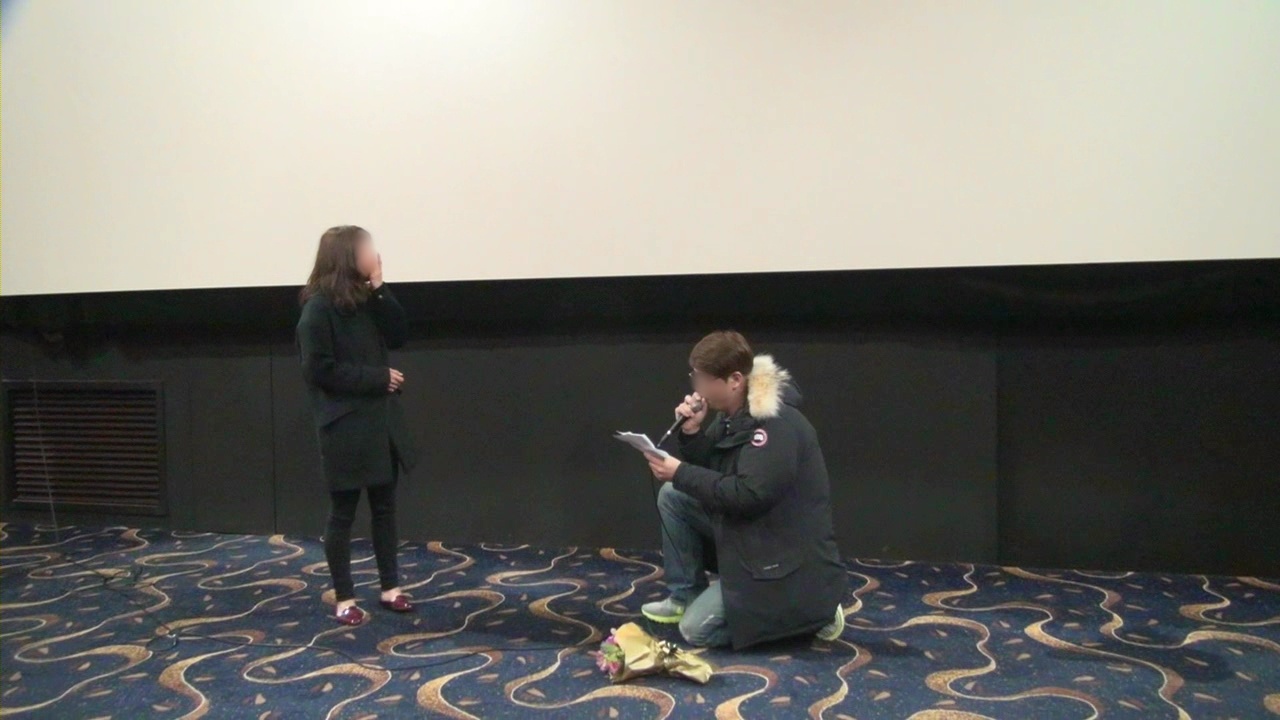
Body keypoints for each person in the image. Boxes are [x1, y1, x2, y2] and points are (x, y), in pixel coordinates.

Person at [643, 331, 847, 649]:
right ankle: (686, 594)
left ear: (735, 380)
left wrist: (679, 471)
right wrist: (692, 432)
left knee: (696, 632)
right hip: (753, 536)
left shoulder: (776, 425)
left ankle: (813, 613)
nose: (697, 388)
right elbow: (714, 472)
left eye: (703, 379)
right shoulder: (732, 418)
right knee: (674, 495)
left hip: (782, 558)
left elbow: (748, 495)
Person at [296, 225, 419, 626]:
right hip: (345, 425)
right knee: (343, 512)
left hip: (380, 422)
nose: (374, 254)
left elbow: (399, 334)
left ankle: (390, 588)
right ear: (347, 255)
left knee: (384, 507)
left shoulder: (368, 299)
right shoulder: (318, 308)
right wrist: (376, 378)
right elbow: (318, 370)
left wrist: (380, 287)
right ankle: (344, 598)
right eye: (367, 248)